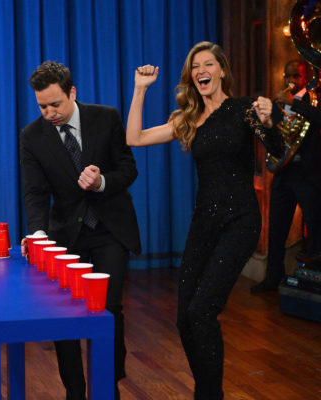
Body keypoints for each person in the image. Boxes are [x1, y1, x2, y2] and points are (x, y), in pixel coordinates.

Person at [125, 42, 284, 399]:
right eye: (195, 66)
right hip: (204, 223)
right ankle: (207, 391)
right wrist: (140, 89)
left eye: (208, 64)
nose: (201, 71)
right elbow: (134, 138)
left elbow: (277, 150)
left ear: (222, 71)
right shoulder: (189, 118)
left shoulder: (244, 109)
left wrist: (268, 120)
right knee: (185, 318)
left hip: (240, 221)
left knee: (202, 312)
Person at [19, 61, 141, 400]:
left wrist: (102, 182)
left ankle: (108, 387)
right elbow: (35, 193)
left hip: (110, 230)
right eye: (42, 106)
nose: (49, 113)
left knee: (109, 309)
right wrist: (38, 234)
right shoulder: (31, 136)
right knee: (64, 316)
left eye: (55, 104)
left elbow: (128, 169)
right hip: (65, 236)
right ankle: (74, 391)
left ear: (72, 92)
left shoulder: (106, 117)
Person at [251, 59, 321, 293]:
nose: (291, 80)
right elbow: (271, 135)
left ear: (306, 77)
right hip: (283, 173)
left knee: (315, 225)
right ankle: (273, 276)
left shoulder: (312, 99)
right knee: (276, 228)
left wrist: (294, 104)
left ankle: (314, 281)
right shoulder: (276, 103)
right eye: (287, 75)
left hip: (307, 174)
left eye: (296, 76)